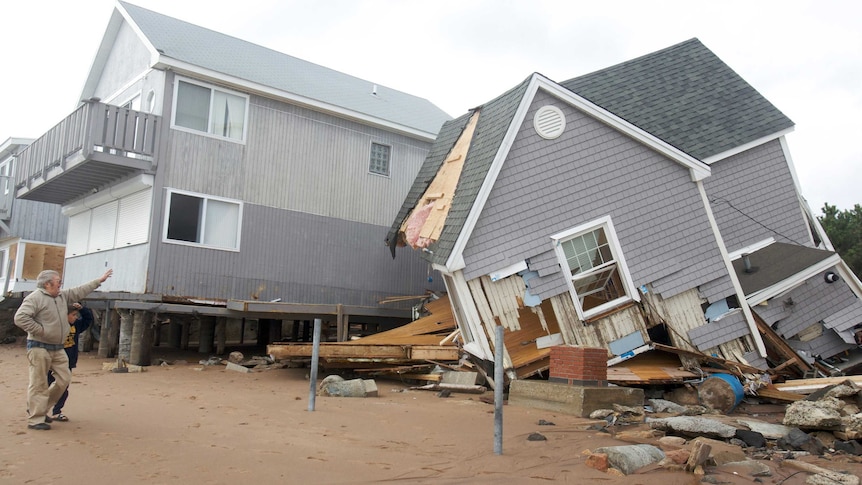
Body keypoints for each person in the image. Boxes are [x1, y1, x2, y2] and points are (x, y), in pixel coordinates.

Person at [14, 269, 112, 430]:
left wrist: (99, 280)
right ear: (47, 284)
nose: (60, 284)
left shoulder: (62, 296)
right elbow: (20, 318)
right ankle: (36, 419)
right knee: (38, 383)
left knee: (64, 379)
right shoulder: (35, 298)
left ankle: (41, 408)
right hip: (39, 347)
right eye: (58, 281)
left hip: (58, 348)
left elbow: (79, 290)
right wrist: (41, 330)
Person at [46, 303, 94, 422]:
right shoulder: (56, 326)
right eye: (73, 315)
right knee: (47, 386)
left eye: (76, 315)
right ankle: (40, 410)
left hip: (68, 362)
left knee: (63, 387)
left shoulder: (76, 325)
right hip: (52, 362)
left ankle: (57, 412)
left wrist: (82, 309)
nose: (75, 317)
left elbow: (88, 320)